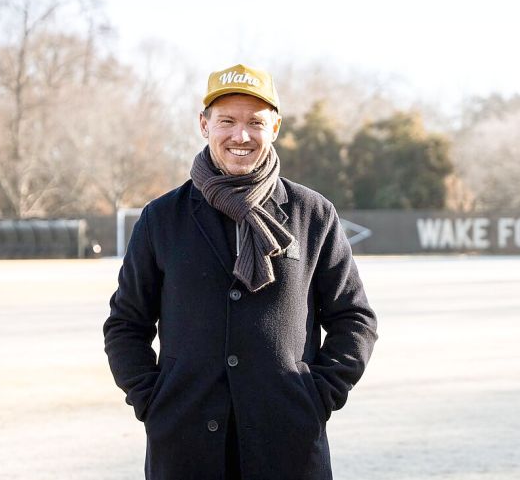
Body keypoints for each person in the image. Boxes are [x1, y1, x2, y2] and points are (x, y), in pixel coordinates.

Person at [103, 64, 378, 479]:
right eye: (227, 121)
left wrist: (318, 395)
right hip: (185, 445)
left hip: (288, 444)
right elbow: (126, 324)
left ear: (275, 127)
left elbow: (354, 318)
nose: (241, 135)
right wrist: (152, 400)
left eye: (255, 122)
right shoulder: (162, 218)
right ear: (204, 125)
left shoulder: (313, 214)